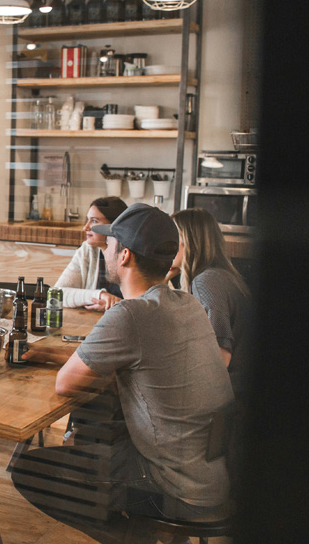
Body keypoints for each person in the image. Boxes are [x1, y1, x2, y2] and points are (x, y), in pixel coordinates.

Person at [12, 204, 234, 544]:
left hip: (171, 488)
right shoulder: (184, 303)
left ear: (125, 255)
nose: (105, 250)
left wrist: (71, 365)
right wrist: (52, 353)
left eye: (111, 243)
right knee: (100, 429)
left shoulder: (131, 314)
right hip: (209, 475)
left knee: (29, 470)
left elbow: (67, 382)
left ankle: (133, 537)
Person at [170, 208, 251, 400]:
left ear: (186, 241)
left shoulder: (207, 281)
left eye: (170, 237)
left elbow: (220, 358)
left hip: (231, 396)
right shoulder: (219, 274)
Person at [54, 196, 127, 310]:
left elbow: (143, 304)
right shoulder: (87, 250)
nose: (85, 227)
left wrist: (114, 305)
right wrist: (99, 295)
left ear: (113, 226)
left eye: (94, 221)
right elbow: (57, 294)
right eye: (87, 220)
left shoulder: (131, 254)